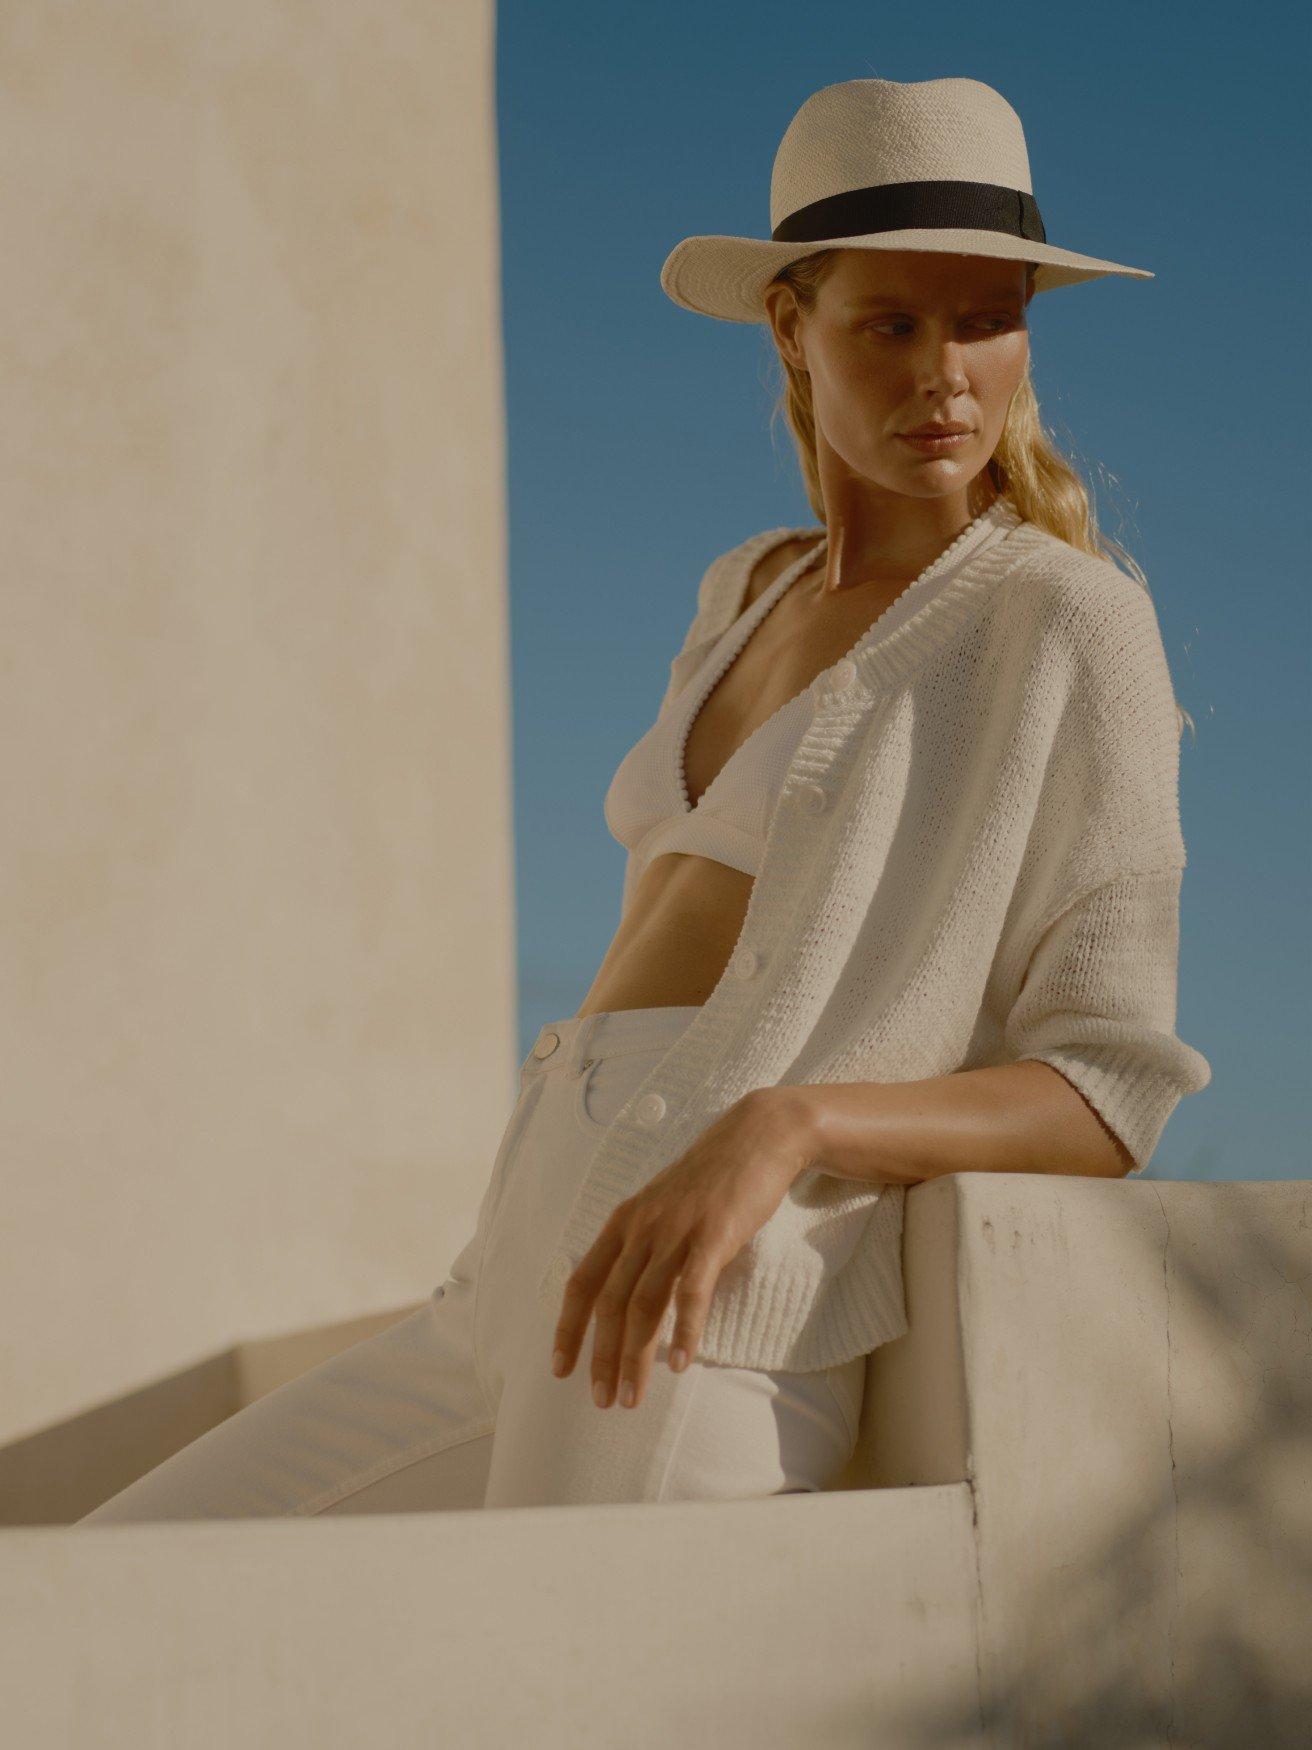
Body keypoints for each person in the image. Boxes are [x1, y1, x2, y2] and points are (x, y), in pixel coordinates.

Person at [77, 75, 1210, 1522]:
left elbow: (1108, 1088)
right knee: (116, 1582)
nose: (947, 373)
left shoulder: (1064, 621)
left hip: (701, 1305)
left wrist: (789, 1125)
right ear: (792, 328)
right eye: (893, 321)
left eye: (988, 317)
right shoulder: (743, 591)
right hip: (511, 1274)